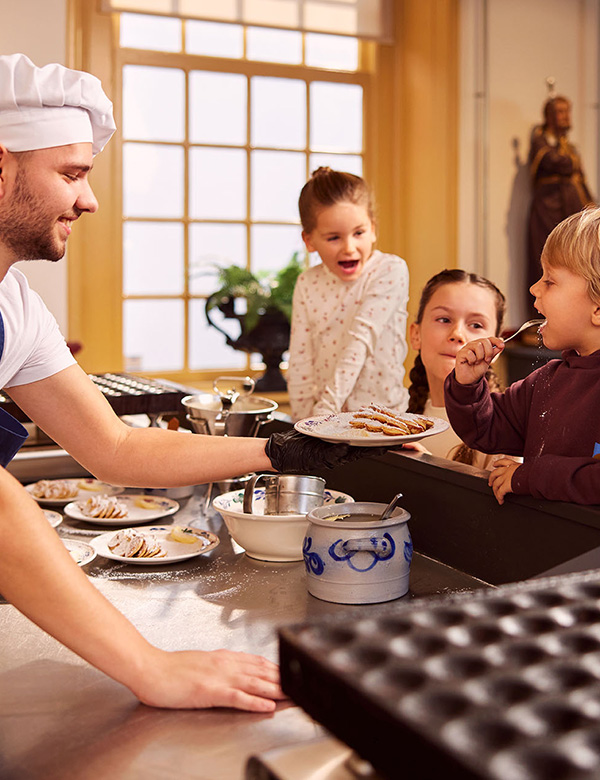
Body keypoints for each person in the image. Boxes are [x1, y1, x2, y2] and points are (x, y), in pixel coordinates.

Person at [0, 54, 384, 712]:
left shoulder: (16, 305)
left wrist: (282, 446)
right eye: (72, 174)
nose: (89, 200)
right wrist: (151, 667)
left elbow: (116, 447)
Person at [445, 205, 600, 506]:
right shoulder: (545, 381)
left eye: (550, 281)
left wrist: (531, 476)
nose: (533, 288)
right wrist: (468, 387)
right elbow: (487, 431)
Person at [287, 167, 409, 421]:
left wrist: (324, 412)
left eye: (359, 233)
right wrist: (303, 425)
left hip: (385, 422)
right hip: (329, 427)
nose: (349, 248)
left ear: (373, 229)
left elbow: (360, 340)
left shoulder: (389, 270)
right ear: (309, 241)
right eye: (333, 238)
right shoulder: (307, 283)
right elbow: (300, 362)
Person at [407, 269, 506, 468]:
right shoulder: (398, 423)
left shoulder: (504, 435)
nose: (457, 334)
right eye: (444, 320)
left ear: (497, 348)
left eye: (476, 325)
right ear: (416, 335)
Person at [527, 95, 595, 310]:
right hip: (548, 210)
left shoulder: (571, 148)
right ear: (549, 116)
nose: (565, 117)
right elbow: (556, 162)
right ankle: (541, 317)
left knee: (575, 263)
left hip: (570, 208)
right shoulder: (541, 143)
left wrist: (592, 206)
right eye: (560, 112)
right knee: (546, 262)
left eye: (567, 111)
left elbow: (580, 179)